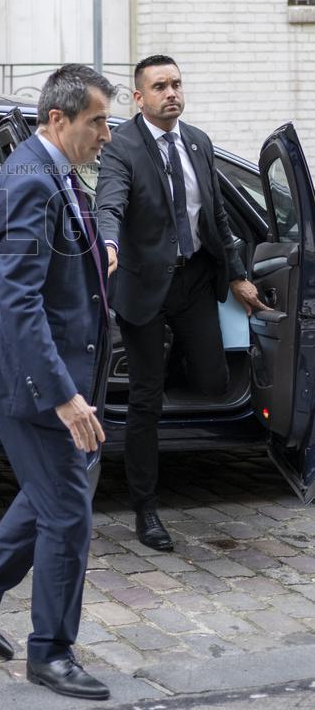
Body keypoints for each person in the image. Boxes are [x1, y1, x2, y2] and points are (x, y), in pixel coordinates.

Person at [0, 64, 114, 701]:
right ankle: (51, 653)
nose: (105, 134)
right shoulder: (28, 182)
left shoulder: (55, 174)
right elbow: (17, 303)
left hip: (58, 369)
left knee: (53, 495)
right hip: (35, 383)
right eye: (96, 122)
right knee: (68, 514)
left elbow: (53, 272)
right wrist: (65, 395)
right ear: (58, 119)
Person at [95, 55, 264, 552]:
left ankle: (168, 360)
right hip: (144, 285)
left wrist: (236, 274)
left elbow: (216, 217)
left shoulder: (198, 142)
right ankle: (146, 509)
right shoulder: (120, 146)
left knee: (214, 380)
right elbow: (110, 202)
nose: (171, 92)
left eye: (176, 84)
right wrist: (108, 243)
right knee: (147, 400)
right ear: (138, 97)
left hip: (193, 280)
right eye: (159, 86)